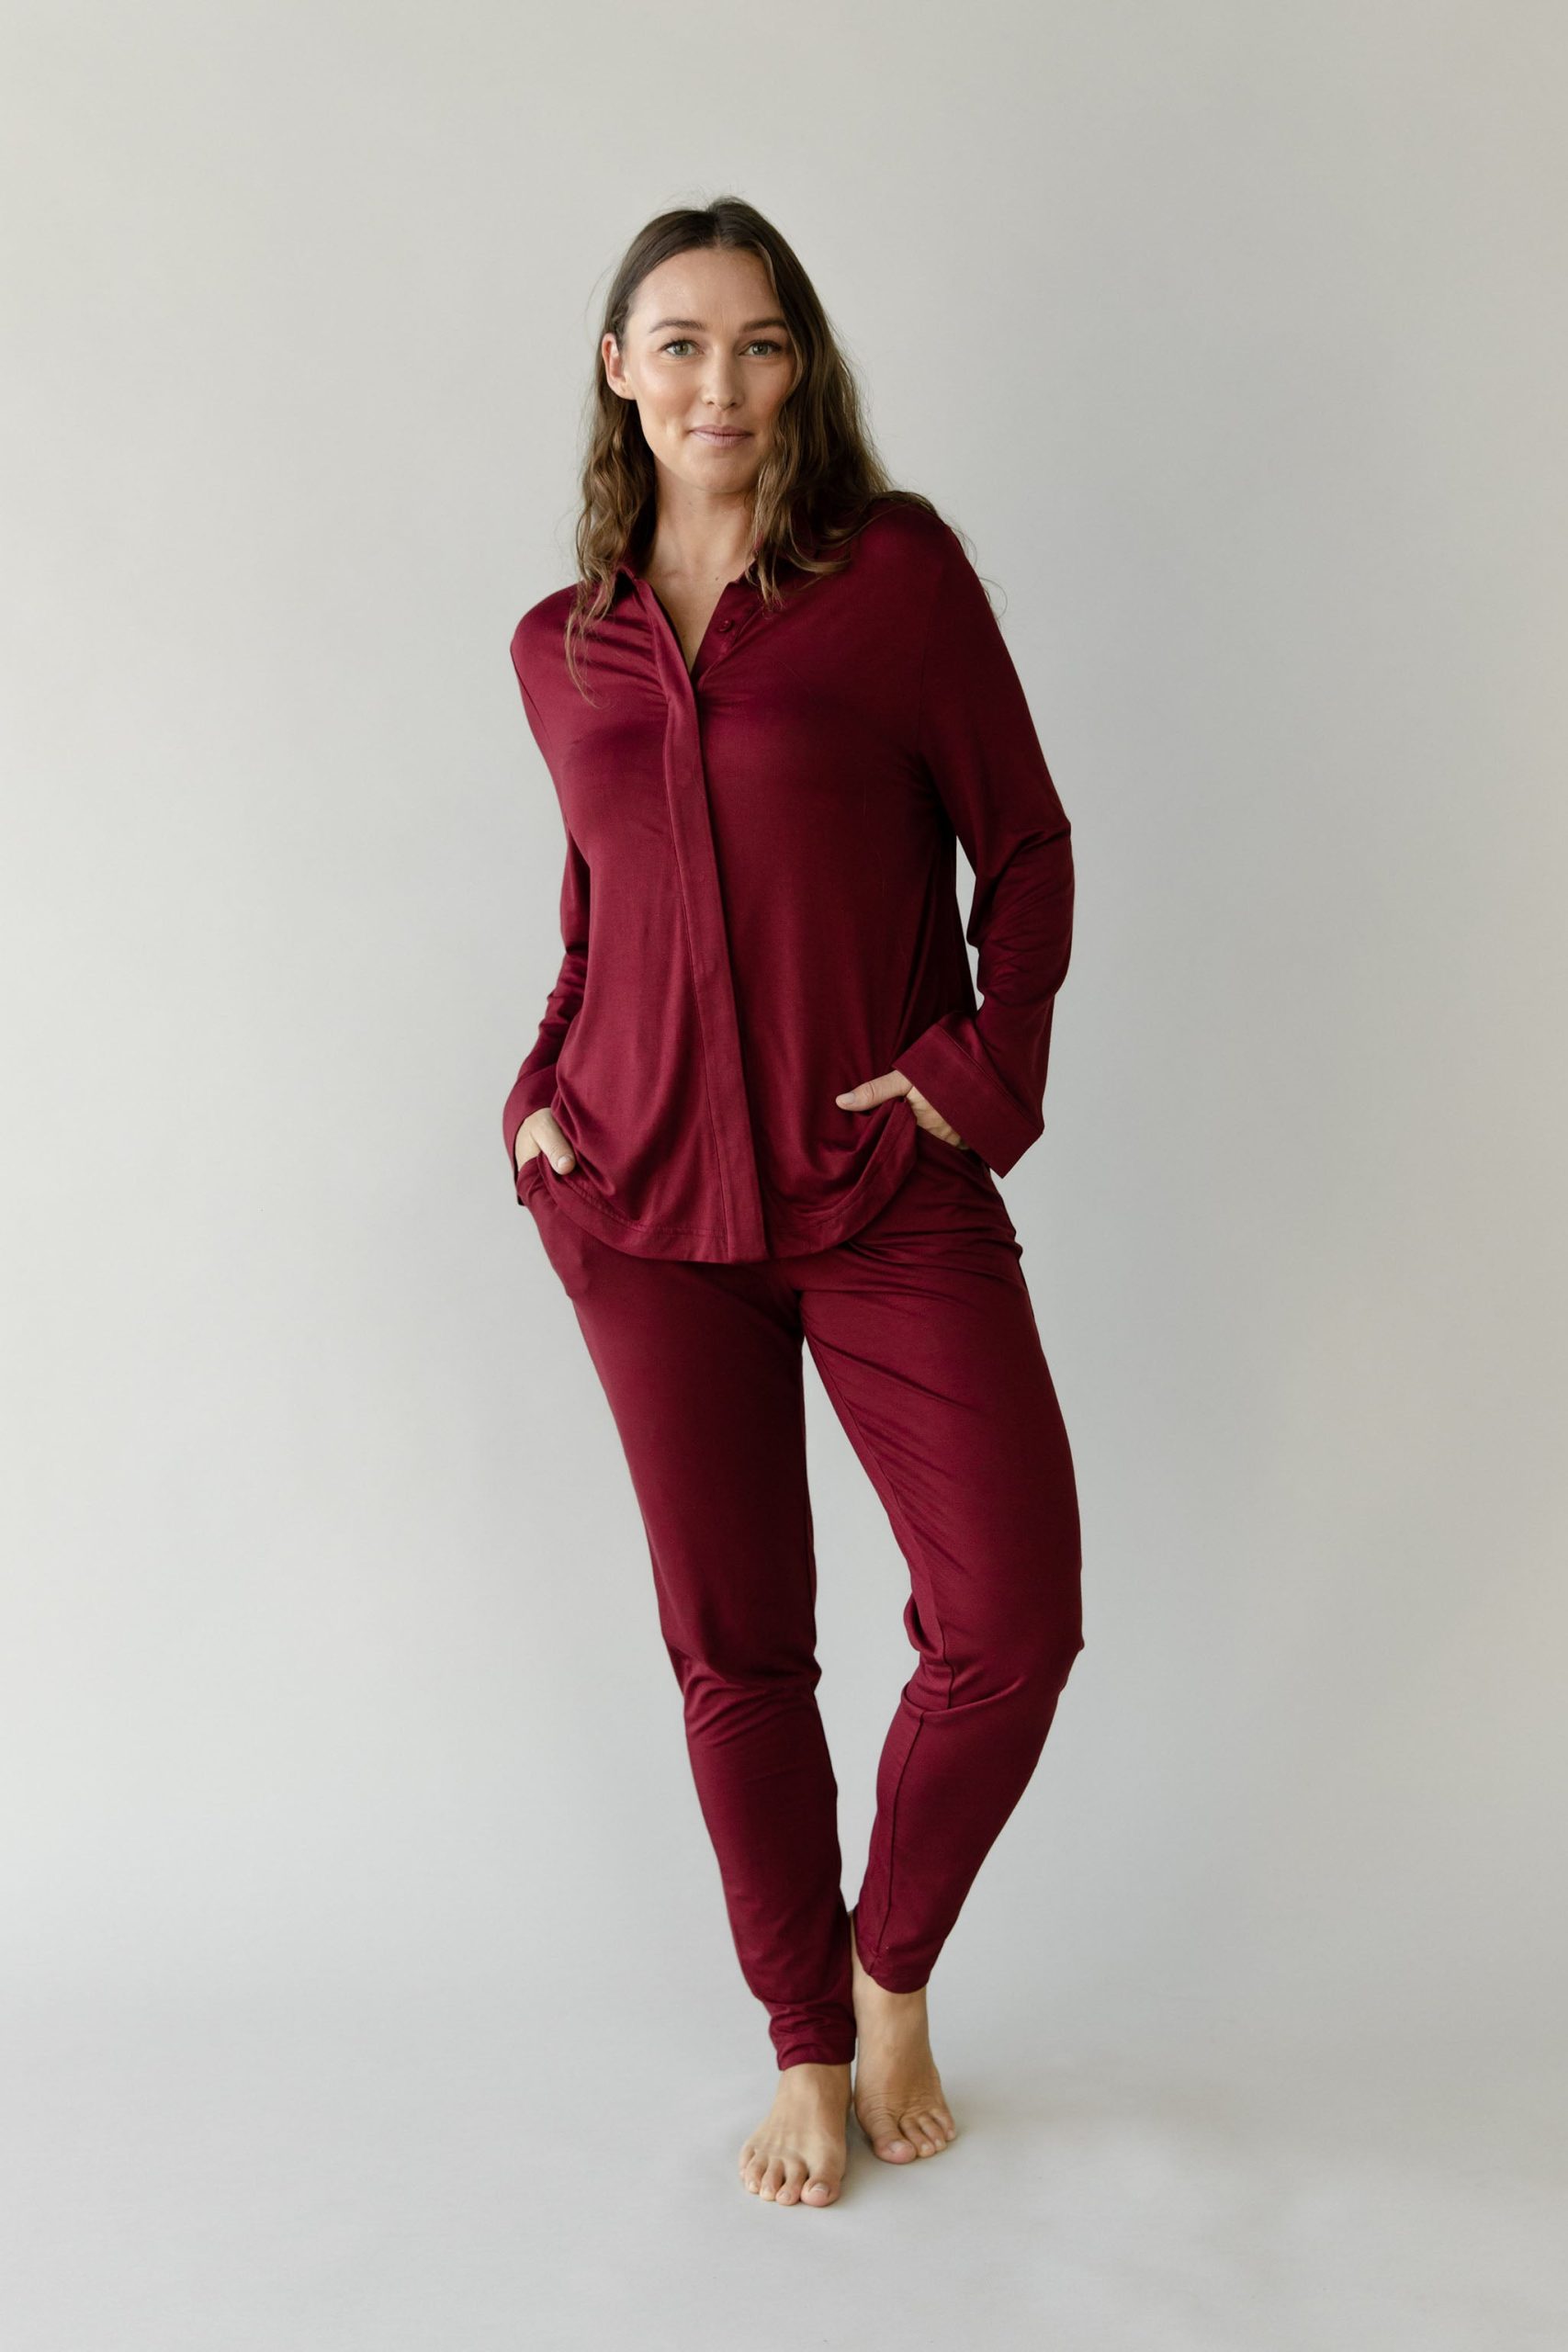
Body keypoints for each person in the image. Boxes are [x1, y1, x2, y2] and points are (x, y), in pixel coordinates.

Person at [502, 198, 1084, 2209]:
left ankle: (885, 1967)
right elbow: (603, 920)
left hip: (881, 1185)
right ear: (617, 371)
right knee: (735, 1651)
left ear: (802, 367)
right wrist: (536, 1097)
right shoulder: (560, 647)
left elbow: (1024, 850)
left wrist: (964, 1081)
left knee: (1010, 1619)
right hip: (641, 1209)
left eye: (759, 345)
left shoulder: (893, 577)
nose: (720, 384)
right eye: (678, 344)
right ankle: (805, 2044)